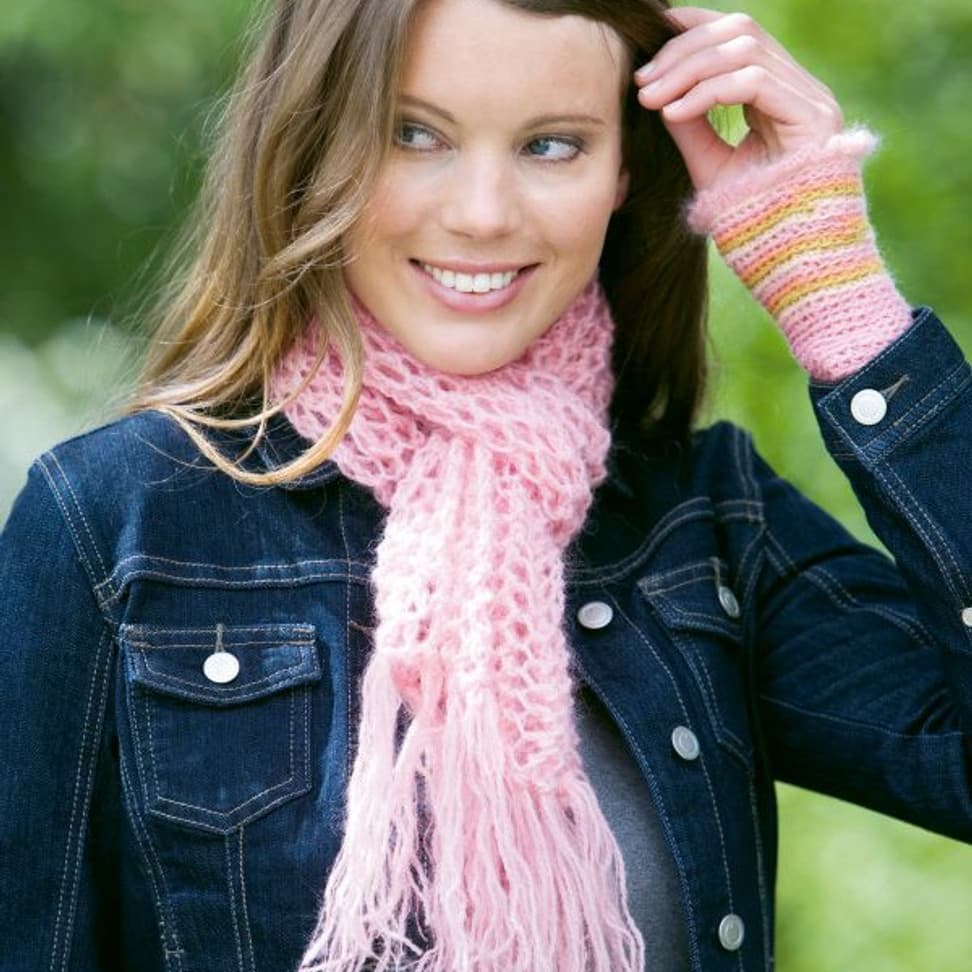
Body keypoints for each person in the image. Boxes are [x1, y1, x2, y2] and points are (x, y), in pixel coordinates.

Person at [0, 0, 969, 969]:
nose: (482, 214)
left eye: (552, 146)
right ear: (314, 148)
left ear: (623, 173)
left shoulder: (703, 519)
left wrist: (843, 304)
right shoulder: (113, 524)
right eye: (414, 135)